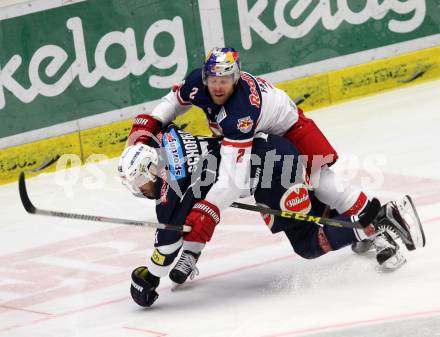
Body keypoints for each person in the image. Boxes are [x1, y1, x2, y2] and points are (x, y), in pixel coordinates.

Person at [118, 124, 425, 307]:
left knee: (306, 243)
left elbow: (166, 248)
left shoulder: (170, 195)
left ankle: (378, 222)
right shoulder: (169, 140)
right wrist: (192, 255)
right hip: (274, 148)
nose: (140, 189)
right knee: (310, 209)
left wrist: (146, 280)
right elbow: (196, 213)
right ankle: (366, 230)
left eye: (139, 181)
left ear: (151, 169)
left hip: (270, 175)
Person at [125, 47, 373, 246]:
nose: (218, 86)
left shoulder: (240, 113)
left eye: (225, 79)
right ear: (204, 77)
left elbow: (233, 178)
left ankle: (376, 220)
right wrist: (153, 122)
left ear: (236, 78)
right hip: (264, 136)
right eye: (213, 79)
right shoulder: (196, 83)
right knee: (305, 193)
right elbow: (174, 101)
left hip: (292, 131)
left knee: (322, 182)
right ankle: (357, 225)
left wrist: (207, 211)